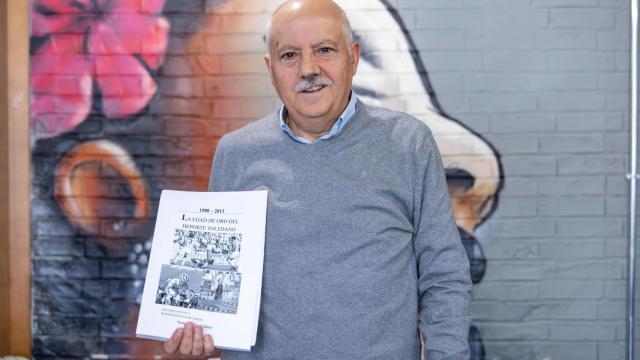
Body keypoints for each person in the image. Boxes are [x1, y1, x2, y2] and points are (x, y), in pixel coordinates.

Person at [162, 0, 471, 358]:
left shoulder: (408, 143)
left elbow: (444, 276)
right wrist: (196, 334)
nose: (308, 69)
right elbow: (214, 280)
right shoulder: (236, 153)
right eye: (289, 55)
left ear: (352, 58)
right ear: (271, 68)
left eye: (324, 50)